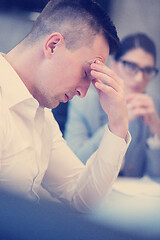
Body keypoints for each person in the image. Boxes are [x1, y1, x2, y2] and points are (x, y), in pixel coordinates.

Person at [0, 0, 130, 212]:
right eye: (86, 73)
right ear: (53, 45)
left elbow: (81, 198)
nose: (83, 92)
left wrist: (118, 126)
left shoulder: (41, 113)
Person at [65, 33, 160, 178]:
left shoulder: (154, 107)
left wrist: (157, 131)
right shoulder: (83, 101)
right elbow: (73, 163)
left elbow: (156, 175)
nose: (139, 78)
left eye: (147, 70)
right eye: (130, 66)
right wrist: (118, 122)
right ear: (113, 64)